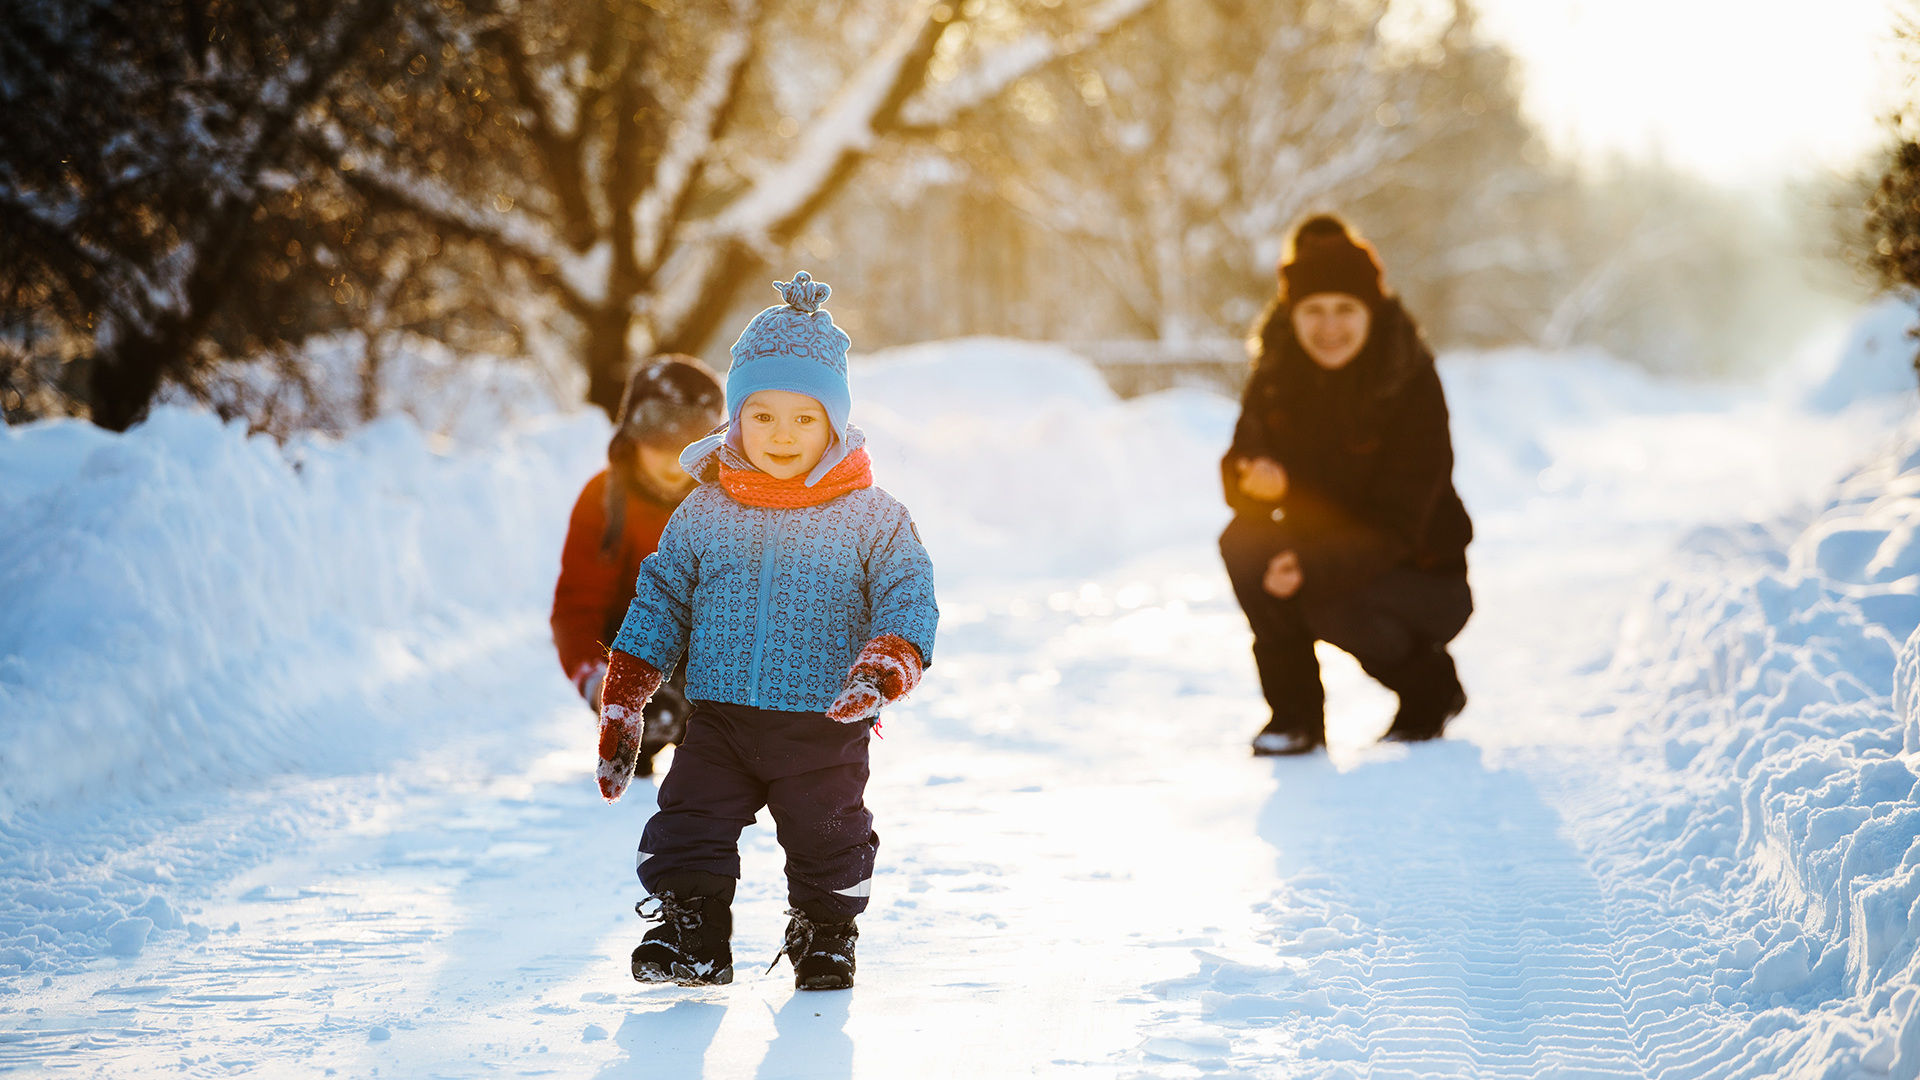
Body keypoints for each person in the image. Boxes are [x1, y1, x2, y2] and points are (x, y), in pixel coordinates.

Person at [594, 271, 939, 990]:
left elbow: (909, 596)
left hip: (822, 722)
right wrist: (628, 683)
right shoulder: (705, 511)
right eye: (763, 416)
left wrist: (882, 665)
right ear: (735, 420)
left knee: (827, 835)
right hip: (717, 718)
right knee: (687, 819)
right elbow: (661, 597)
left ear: (836, 425)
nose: (782, 436)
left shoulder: (874, 516)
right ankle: (693, 933)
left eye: (804, 419)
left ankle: (825, 933)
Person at [1220, 215, 1474, 757]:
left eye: (1344, 309)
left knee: (1326, 600)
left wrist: (1309, 567)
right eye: (1314, 310)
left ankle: (1431, 689)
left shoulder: (1409, 378)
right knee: (1242, 541)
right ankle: (1294, 717)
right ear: (1293, 313)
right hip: (1323, 552)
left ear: (1371, 310)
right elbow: (1238, 462)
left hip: (1422, 577)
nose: (1328, 326)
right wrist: (1253, 480)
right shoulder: (1276, 369)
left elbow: (1401, 525)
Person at [551, 355, 724, 777]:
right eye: (657, 444)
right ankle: (639, 728)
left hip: (712, 661)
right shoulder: (604, 500)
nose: (670, 461)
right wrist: (602, 687)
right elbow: (578, 607)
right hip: (629, 653)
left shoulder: (727, 504)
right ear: (631, 436)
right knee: (641, 734)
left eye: (684, 447)